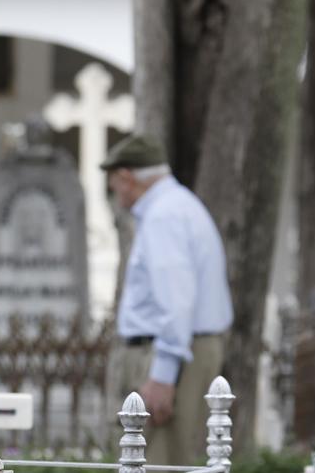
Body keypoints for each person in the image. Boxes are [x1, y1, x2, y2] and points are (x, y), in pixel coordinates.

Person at [103, 133, 233, 466]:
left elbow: (176, 300)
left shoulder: (164, 216)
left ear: (126, 177)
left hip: (172, 355)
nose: (114, 191)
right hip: (185, 349)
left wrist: (162, 376)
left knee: (158, 461)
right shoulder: (178, 206)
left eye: (113, 182)